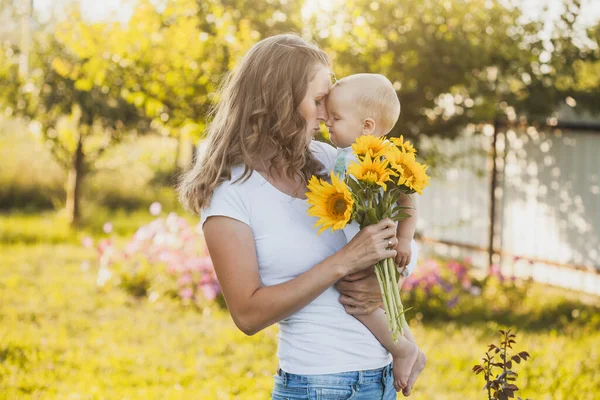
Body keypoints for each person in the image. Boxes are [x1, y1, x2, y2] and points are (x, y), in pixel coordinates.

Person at [179, 33, 410, 399]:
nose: (325, 114)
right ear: (279, 102)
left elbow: (397, 219)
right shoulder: (230, 193)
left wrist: (389, 278)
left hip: (381, 379)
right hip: (318, 386)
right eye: (318, 100)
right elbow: (248, 316)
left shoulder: (331, 159)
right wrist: (344, 262)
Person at [325, 73, 427, 393]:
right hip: (364, 244)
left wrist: (406, 240)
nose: (327, 122)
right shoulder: (344, 154)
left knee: (360, 301)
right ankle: (412, 348)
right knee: (386, 304)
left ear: (367, 126)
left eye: (336, 117)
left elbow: (407, 199)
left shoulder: (380, 158)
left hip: (376, 245)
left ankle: (402, 349)